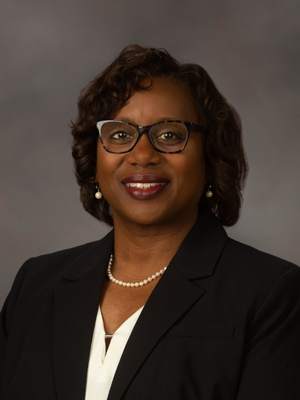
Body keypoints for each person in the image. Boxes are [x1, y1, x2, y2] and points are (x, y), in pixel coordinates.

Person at [0, 45, 299, 400]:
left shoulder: (271, 293)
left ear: (211, 155)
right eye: (121, 135)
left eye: (170, 134)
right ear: (94, 158)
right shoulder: (35, 285)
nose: (142, 155)